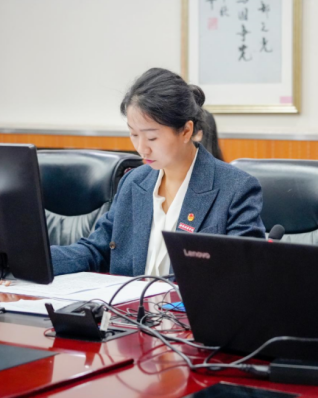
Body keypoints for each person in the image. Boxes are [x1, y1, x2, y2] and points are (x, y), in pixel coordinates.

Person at [51, 68, 265, 276]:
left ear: (186, 131)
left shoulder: (235, 188)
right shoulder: (133, 182)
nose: (142, 148)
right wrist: (35, 259)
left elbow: (245, 273)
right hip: (128, 301)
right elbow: (95, 250)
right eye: (134, 135)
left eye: (152, 137)